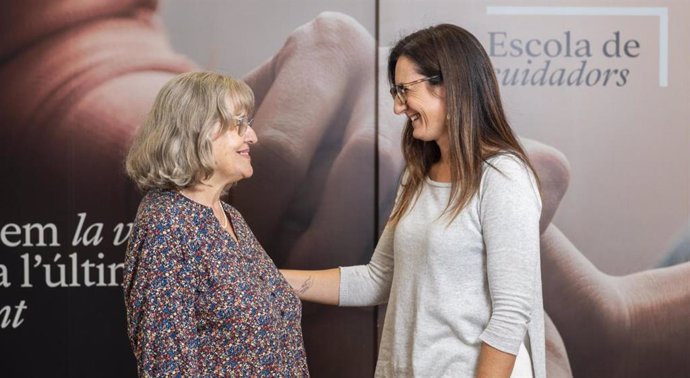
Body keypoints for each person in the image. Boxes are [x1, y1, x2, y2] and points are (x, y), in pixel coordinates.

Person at [282, 24, 545, 377]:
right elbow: (378, 279)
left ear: (450, 87)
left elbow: (511, 313)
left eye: (404, 91)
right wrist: (269, 279)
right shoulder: (417, 176)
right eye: (395, 92)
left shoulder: (503, 178)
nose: (397, 107)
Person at [122, 71, 309, 376]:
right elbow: (167, 368)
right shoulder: (166, 225)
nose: (253, 136)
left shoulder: (227, 215)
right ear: (197, 131)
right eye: (239, 124)